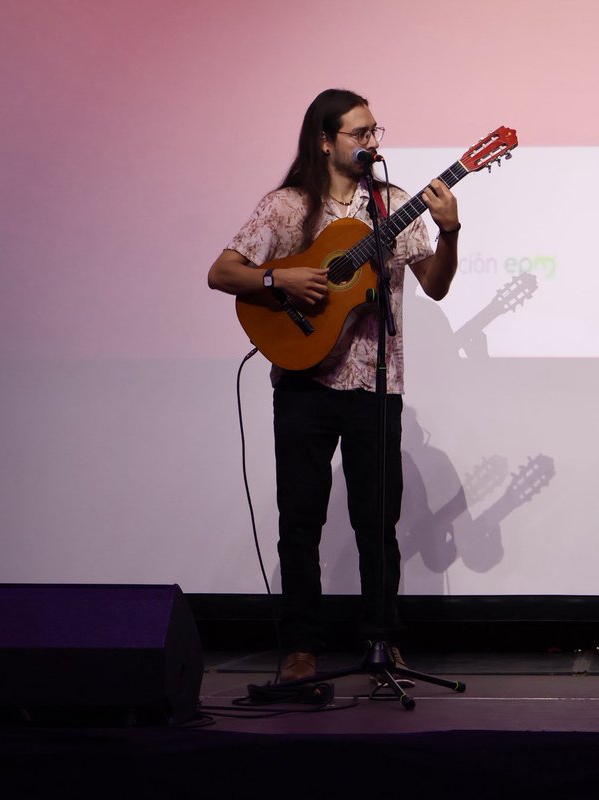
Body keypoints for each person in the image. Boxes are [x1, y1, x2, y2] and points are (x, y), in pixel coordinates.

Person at [207, 89, 460, 682]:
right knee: (300, 521)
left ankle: (382, 641)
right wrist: (280, 280)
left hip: (377, 386)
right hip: (304, 382)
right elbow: (222, 272)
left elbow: (436, 285)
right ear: (325, 141)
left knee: (378, 523)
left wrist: (449, 232)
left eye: (375, 131)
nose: (372, 141)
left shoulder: (391, 205)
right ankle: (301, 647)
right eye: (360, 133)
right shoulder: (288, 206)